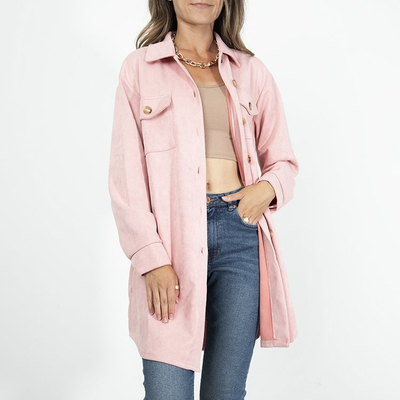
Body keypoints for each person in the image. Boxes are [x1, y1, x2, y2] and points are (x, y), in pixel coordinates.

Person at [108, 0, 300, 399]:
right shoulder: (139, 69)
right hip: (171, 244)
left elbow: (283, 162)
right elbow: (127, 179)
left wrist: (264, 189)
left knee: (225, 392)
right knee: (166, 392)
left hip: (240, 239)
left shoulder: (251, 72)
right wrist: (151, 258)